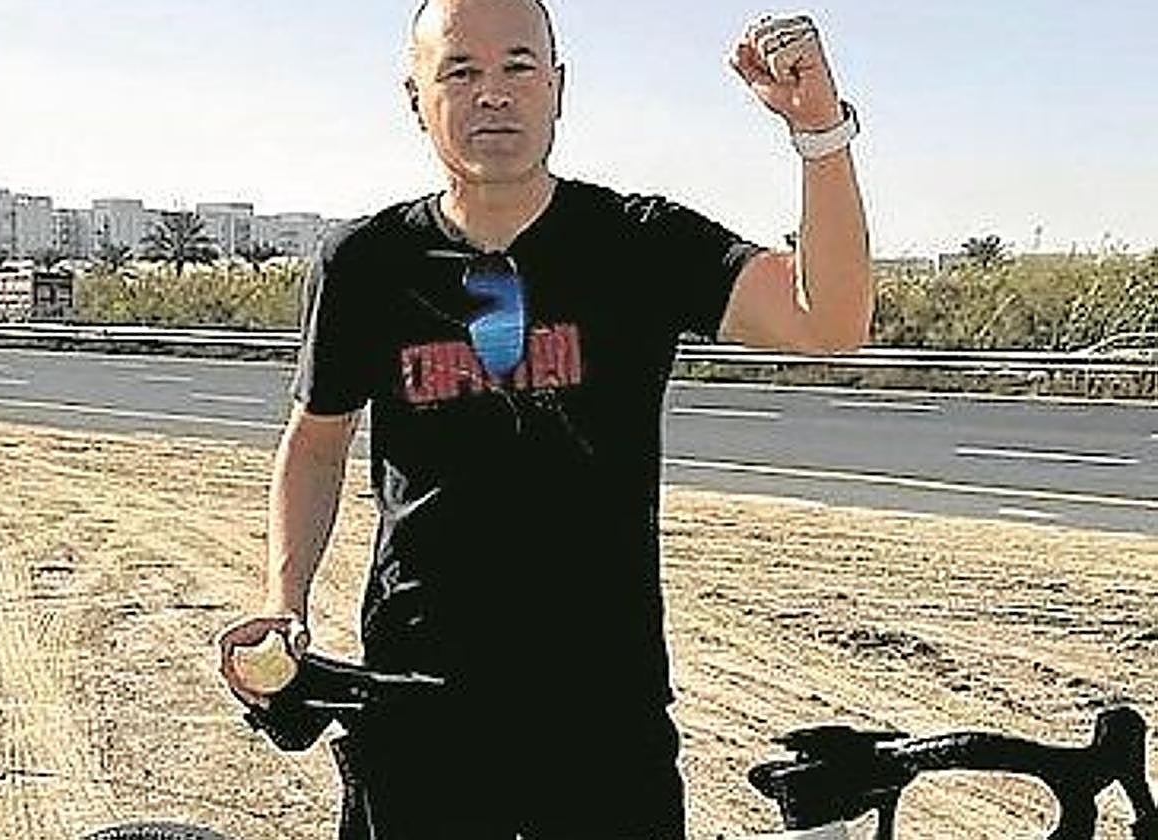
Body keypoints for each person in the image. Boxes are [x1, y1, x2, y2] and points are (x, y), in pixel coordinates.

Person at [218, 0, 872, 836]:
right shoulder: (367, 262)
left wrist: (818, 134)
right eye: (461, 71)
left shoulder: (638, 244)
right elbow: (315, 445)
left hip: (602, 709)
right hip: (420, 706)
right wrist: (284, 599)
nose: (493, 93)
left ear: (557, 88)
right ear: (416, 97)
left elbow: (828, 320)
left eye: (518, 67)